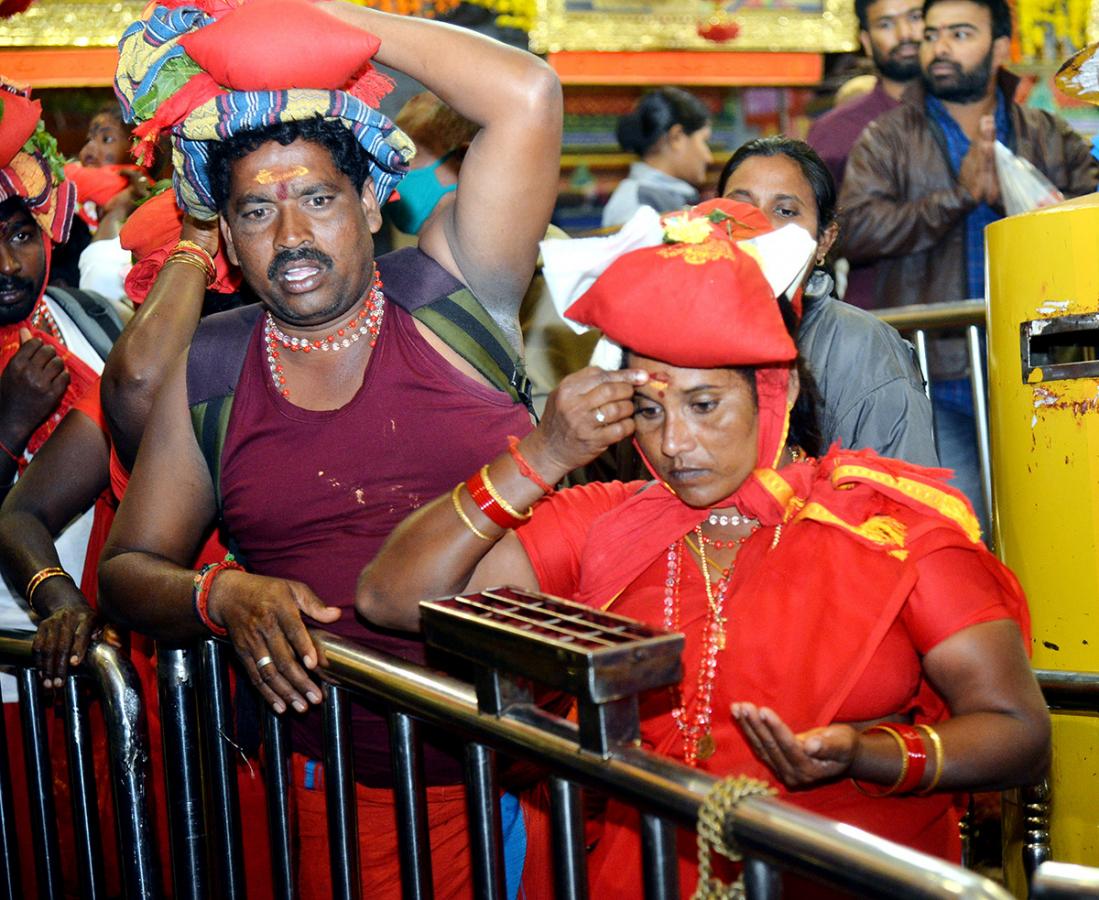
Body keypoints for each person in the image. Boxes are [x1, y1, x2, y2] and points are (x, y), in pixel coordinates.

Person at [355, 197, 1050, 897]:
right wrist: (540, 455)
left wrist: (867, 754)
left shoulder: (888, 529)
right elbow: (390, 597)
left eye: (704, 405)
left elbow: (1018, 734)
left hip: (845, 874)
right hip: (647, 873)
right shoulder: (604, 519)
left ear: (771, 394)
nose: (673, 443)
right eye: (650, 411)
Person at [99, 1, 561, 896]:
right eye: (257, 211)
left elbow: (527, 94)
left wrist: (312, 17)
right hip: (344, 799)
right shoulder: (217, 366)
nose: (292, 235)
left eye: (317, 198)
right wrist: (220, 593)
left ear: (370, 199)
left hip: (542, 771)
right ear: (225, 236)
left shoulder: (452, 293)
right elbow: (129, 566)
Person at [837, 0, 1099, 535]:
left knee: (1055, 526)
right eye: (933, 34)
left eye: (960, 33)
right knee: (962, 531)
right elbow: (854, 230)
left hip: (1048, 370)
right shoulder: (886, 139)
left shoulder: (1048, 134)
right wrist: (957, 198)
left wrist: (1026, 204)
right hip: (937, 375)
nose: (940, 48)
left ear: (1001, 48)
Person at [717, 136, 938, 466]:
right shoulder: (671, 335)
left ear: (824, 240)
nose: (758, 227)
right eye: (740, 207)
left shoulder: (863, 348)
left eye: (785, 211)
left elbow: (902, 497)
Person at [807, 0, 924, 308]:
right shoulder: (834, 131)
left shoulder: (971, 115)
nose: (906, 33)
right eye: (886, 24)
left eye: (916, 17)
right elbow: (814, 230)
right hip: (881, 312)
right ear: (867, 43)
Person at [601, 87, 713, 228]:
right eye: (704, 141)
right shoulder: (638, 201)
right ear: (676, 137)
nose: (708, 157)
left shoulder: (664, 195)